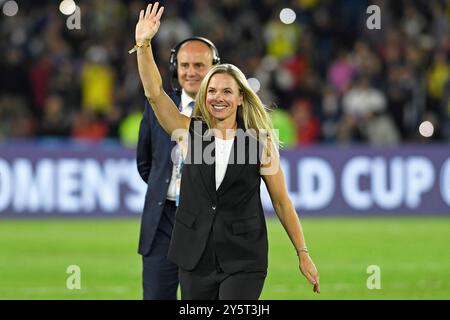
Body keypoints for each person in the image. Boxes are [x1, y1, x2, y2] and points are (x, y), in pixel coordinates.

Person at [133, 2, 320, 299]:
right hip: (195, 257)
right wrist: (143, 44)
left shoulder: (260, 143)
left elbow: (282, 202)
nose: (218, 98)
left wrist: (303, 252)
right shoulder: (189, 134)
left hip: (244, 258)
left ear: (241, 98)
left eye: (226, 91)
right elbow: (154, 93)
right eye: (212, 91)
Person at [134, 19, 221, 299]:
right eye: (184, 65)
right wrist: (142, 43)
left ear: (214, 69)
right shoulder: (158, 108)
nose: (191, 72)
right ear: (175, 67)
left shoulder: (228, 111)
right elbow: (146, 164)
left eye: (199, 65)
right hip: (163, 219)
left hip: (208, 221)